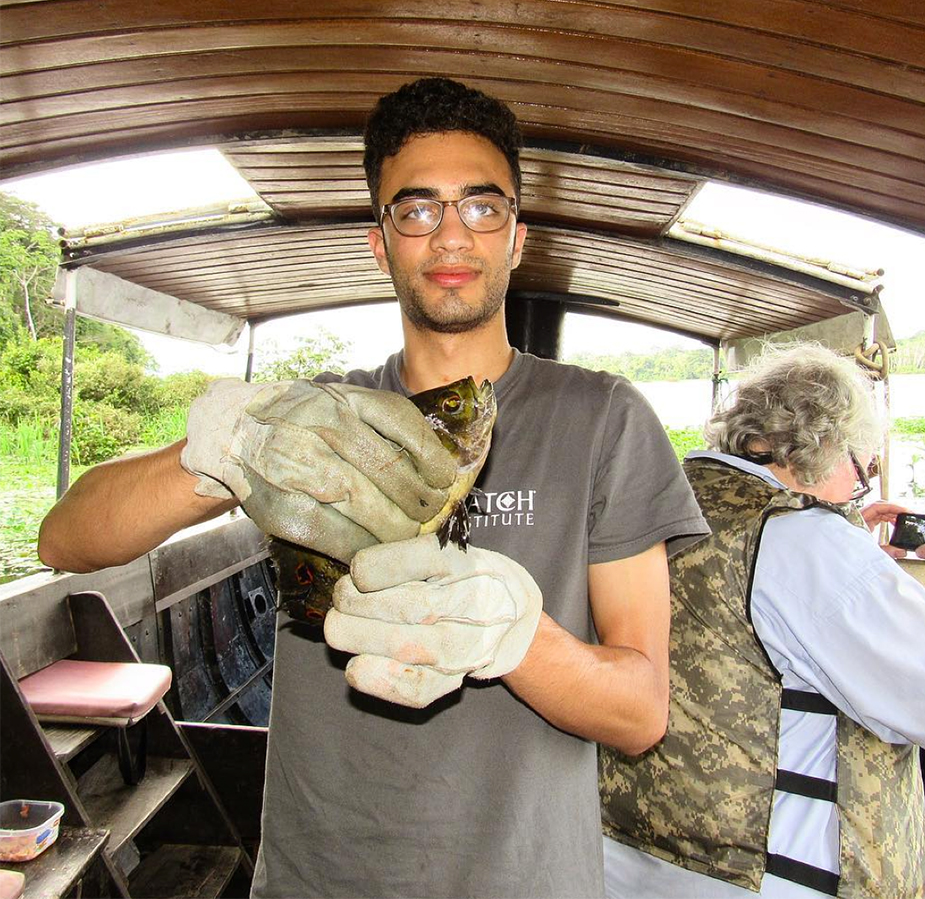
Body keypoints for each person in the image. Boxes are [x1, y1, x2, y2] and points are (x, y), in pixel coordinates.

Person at [38, 77, 710, 898]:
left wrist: (514, 635)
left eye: (482, 207)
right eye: (417, 209)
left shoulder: (605, 419)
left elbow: (642, 712)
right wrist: (218, 453)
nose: (452, 235)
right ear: (380, 242)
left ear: (518, 237)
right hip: (316, 877)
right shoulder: (317, 423)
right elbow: (65, 538)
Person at [600, 342, 925, 899]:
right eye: (861, 475)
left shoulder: (661, 502)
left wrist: (849, 545)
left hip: (627, 859)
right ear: (826, 448)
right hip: (770, 878)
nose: (851, 496)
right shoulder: (809, 544)